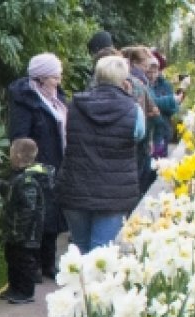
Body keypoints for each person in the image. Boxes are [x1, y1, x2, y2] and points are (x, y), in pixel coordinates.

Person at [55, 55, 144, 253]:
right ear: (124, 80)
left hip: (75, 186)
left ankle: (78, 284)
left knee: (79, 248)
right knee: (101, 253)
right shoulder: (133, 109)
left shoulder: (75, 105)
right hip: (113, 192)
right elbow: (139, 136)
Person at [6, 52, 68, 281]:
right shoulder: (26, 100)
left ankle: (49, 263)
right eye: (54, 77)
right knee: (34, 218)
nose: (59, 81)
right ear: (41, 78)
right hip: (36, 166)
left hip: (56, 163)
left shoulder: (56, 98)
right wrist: (27, 163)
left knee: (52, 215)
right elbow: (19, 136)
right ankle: (32, 267)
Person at [0, 138, 51, 303]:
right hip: (15, 231)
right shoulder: (19, 177)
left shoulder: (28, 180)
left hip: (26, 234)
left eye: (11, 152)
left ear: (17, 155)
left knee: (24, 262)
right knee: (12, 259)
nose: (9, 155)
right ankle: (14, 288)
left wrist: (19, 232)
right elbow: (12, 190)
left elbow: (28, 209)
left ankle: (25, 292)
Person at [121, 46, 162, 195]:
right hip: (137, 137)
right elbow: (153, 108)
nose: (147, 65)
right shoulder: (137, 83)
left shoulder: (140, 81)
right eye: (144, 61)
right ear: (133, 62)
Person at [145, 51, 180, 158]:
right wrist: (168, 101)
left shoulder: (165, 85)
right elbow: (149, 103)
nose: (151, 75)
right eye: (149, 72)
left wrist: (164, 103)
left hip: (163, 131)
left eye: (154, 72)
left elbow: (174, 108)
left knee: (160, 163)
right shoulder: (142, 85)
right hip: (149, 132)